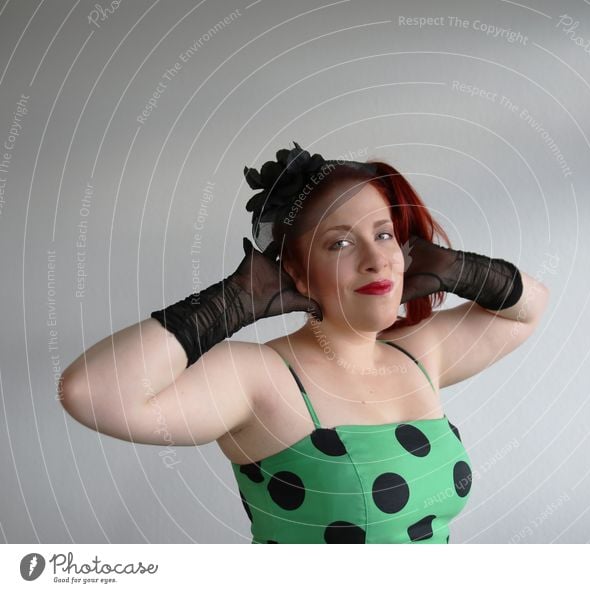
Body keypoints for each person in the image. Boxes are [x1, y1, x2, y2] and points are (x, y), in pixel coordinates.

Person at [59, 142, 550, 544]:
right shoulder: (260, 377)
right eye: (340, 243)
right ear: (294, 272)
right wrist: (229, 304)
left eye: (383, 235)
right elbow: (90, 393)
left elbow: (530, 310)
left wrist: (459, 268)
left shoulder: (418, 355)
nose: (376, 260)